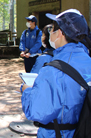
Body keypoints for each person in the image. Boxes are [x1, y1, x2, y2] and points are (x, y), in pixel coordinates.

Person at [20, 9, 91, 137]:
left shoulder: (52, 70)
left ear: (60, 33)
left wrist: (26, 91)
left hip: (57, 133)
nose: (50, 32)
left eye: (52, 28)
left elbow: (38, 111)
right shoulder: (87, 61)